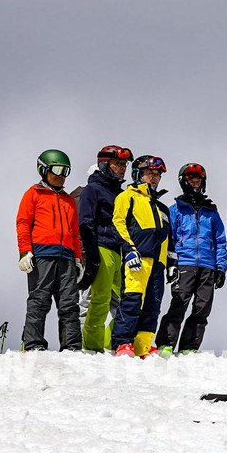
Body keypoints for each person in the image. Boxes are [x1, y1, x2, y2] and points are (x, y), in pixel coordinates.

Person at [154, 163, 227, 355]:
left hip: (208, 265)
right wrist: (172, 263)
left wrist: (221, 268)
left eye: (199, 179)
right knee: (179, 304)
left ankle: (189, 347)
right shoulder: (175, 210)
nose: (196, 182)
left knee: (202, 308)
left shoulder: (211, 212)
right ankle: (165, 343)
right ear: (183, 182)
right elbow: (169, 239)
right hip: (185, 263)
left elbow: (220, 240)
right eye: (191, 179)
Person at [16, 149, 83, 351]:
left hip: (67, 256)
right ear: (43, 169)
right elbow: (23, 223)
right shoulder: (33, 194)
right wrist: (25, 251)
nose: (61, 175)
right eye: (56, 170)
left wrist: (78, 258)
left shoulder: (68, 200)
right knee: (39, 299)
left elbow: (75, 233)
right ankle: (34, 344)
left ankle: (72, 346)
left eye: (65, 171)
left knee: (69, 303)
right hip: (42, 254)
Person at [111, 155, 173, 357]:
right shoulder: (127, 197)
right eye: (150, 173)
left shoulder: (162, 208)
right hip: (138, 259)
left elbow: (168, 238)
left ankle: (143, 346)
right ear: (138, 174)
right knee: (132, 300)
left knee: (153, 304)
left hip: (158, 262)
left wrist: (171, 261)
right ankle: (122, 343)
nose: (154, 178)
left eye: (157, 175)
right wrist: (129, 250)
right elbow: (118, 223)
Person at [78, 145, 132, 352]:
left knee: (127, 301)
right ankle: (91, 346)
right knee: (99, 299)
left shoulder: (120, 193)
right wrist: (91, 256)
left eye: (124, 164)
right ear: (104, 164)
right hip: (101, 247)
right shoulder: (93, 189)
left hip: (120, 251)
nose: (122, 168)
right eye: (117, 164)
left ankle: (112, 342)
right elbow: (85, 222)